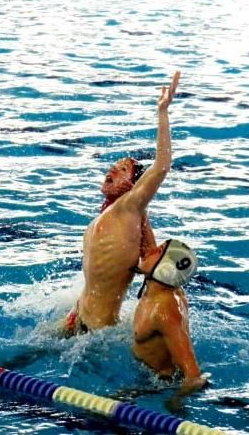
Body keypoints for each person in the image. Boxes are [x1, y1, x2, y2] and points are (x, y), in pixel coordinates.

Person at [63, 71, 181, 336]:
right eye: (115, 166)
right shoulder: (116, 215)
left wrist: (162, 112)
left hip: (95, 332)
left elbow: (162, 166)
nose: (113, 170)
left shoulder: (129, 207)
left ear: (134, 187)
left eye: (122, 170)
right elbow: (148, 257)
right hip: (76, 315)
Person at [133, 239, 208, 393]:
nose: (151, 250)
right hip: (149, 375)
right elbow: (147, 247)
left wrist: (175, 402)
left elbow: (194, 377)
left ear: (165, 268)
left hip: (160, 385)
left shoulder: (165, 309)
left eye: (159, 251)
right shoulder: (163, 289)